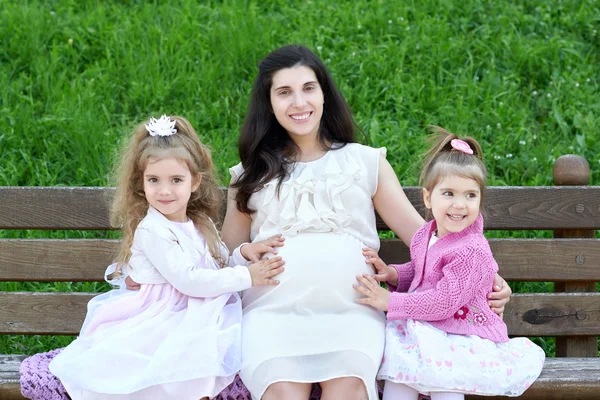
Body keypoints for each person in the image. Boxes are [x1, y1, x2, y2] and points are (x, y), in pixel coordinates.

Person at [221, 45, 512, 400]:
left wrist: (485, 278)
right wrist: (246, 252)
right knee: (281, 393)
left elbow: (427, 238)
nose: (299, 102)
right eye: (285, 92)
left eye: (309, 88)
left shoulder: (364, 162)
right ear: (269, 103)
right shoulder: (250, 175)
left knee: (348, 389)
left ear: (324, 94)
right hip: (273, 313)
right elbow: (225, 256)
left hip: (353, 309)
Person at [47, 115, 285, 400]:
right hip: (163, 317)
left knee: (203, 367)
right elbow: (189, 280)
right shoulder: (153, 230)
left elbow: (216, 264)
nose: (164, 190)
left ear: (195, 181)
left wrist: (245, 254)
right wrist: (248, 276)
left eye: (176, 180)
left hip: (194, 312)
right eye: (154, 180)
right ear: (141, 183)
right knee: (175, 376)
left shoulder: (200, 223)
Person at [354, 127, 545, 400]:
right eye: (449, 194)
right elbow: (424, 271)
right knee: (400, 376)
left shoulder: (471, 250)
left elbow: (444, 300)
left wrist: (390, 302)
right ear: (428, 198)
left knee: (446, 384)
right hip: (430, 328)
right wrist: (394, 274)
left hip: (461, 334)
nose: (459, 205)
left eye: (470, 195)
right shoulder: (425, 234)